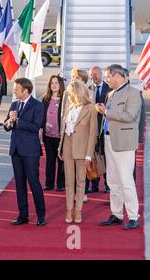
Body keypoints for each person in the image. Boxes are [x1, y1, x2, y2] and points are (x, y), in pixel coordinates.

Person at [97, 64, 141, 230]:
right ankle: (116, 214)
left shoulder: (133, 93)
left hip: (124, 142)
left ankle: (133, 216)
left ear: (117, 76)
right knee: (112, 180)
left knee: (126, 180)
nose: (106, 79)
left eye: (108, 76)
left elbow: (130, 116)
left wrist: (106, 112)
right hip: (109, 140)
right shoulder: (110, 93)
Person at [4, 78, 46, 226]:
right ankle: (23, 215)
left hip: (30, 150)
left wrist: (18, 121)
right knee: (19, 184)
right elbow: (6, 125)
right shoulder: (15, 104)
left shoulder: (38, 106)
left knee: (34, 183)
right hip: (15, 149)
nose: (14, 91)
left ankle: (41, 215)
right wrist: (9, 122)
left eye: (16, 89)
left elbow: (36, 127)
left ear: (25, 90)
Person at [58, 81, 97, 224]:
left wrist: (89, 154)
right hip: (68, 147)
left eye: (71, 93)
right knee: (69, 182)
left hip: (82, 151)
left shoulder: (91, 108)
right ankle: (69, 209)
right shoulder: (69, 106)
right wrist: (61, 147)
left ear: (78, 93)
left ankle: (78, 210)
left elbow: (93, 134)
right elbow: (64, 129)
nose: (69, 95)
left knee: (80, 181)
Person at [88, 66, 111, 193]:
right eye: (92, 74)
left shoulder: (109, 89)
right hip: (92, 129)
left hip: (105, 128)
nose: (94, 76)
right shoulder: (88, 89)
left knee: (106, 157)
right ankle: (94, 184)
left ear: (101, 74)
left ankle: (108, 184)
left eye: (96, 74)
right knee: (93, 157)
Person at [41, 75, 65, 191]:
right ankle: (49, 184)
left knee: (61, 160)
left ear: (60, 85)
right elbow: (42, 116)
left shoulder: (65, 99)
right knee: (50, 160)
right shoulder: (45, 99)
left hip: (60, 135)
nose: (54, 85)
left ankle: (61, 184)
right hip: (48, 135)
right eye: (52, 83)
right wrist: (41, 129)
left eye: (56, 83)